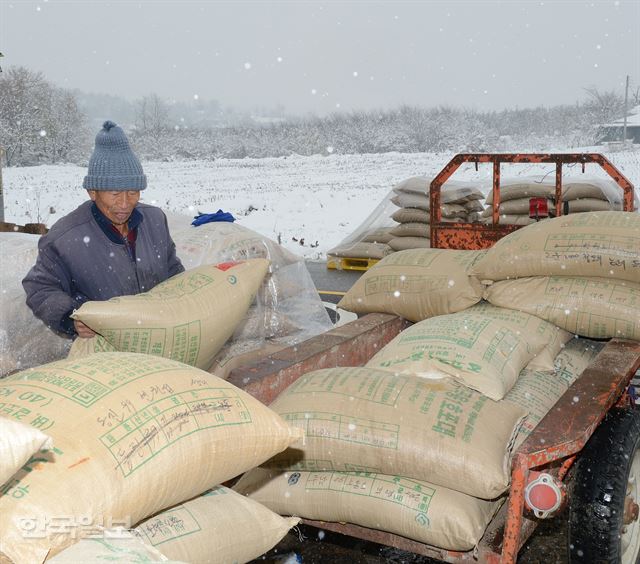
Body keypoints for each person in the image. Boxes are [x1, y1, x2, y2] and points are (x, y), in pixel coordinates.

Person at [23, 120, 184, 338]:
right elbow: (40, 288)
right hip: (104, 345)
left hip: (158, 334)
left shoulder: (154, 220)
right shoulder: (65, 237)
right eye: (115, 193)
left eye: (133, 192)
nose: (125, 203)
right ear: (92, 192)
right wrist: (72, 317)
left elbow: (173, 272)